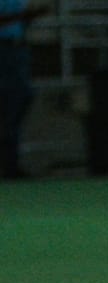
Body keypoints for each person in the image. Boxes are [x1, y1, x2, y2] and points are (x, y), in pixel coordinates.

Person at [0, 1, 43, 179]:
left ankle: (11, 163)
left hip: (17, 49)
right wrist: (22, 17)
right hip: (3, 51)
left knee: (18, 103)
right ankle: (9, 164)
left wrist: (29, 18)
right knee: (9, 106)